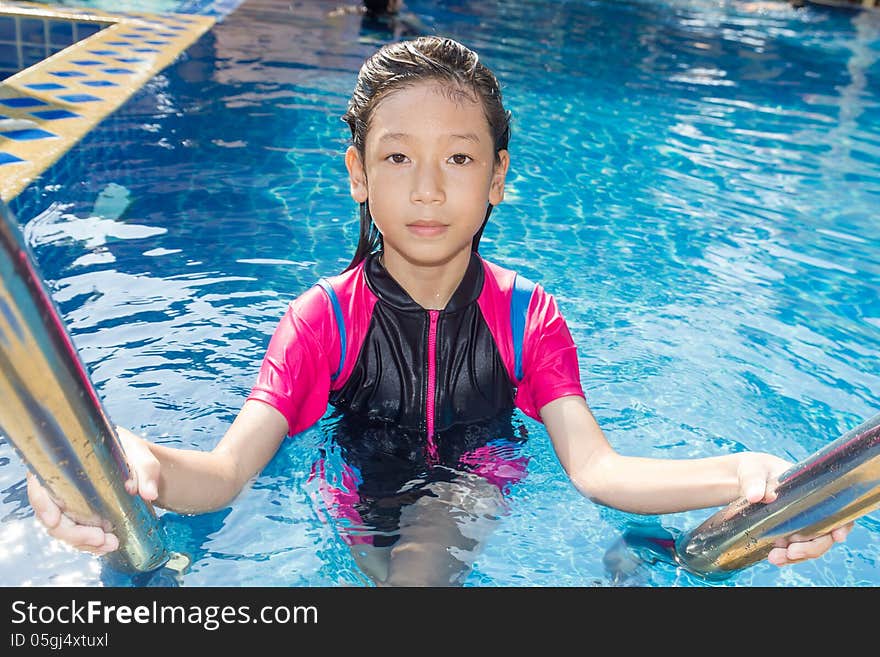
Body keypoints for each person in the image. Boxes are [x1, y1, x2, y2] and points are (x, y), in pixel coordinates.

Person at [26, 36, 853, 587]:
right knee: (142, 568)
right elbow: (227, 470)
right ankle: (641, 558)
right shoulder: (323, 319)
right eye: (397, 158)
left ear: (497, 178)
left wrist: (745, 472)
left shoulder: (530, 315)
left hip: (473, 476)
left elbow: (600, 469)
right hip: (349, 482)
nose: (427, 188)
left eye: (458, 158)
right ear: (357, 173)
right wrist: (127, 460)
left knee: (420, 575)